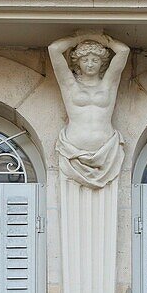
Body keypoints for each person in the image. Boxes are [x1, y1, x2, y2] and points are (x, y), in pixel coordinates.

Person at [48, 32, 129, 188]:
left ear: (102, 62)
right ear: (78, 63)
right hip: (73, 151)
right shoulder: (70, 85)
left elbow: (123, 51)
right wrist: (78, 39)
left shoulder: (108, 84)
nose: (90, 64)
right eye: (85, 60)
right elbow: (54, 49)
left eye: (95, 60)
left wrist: (102, 39)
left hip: (107, 152)